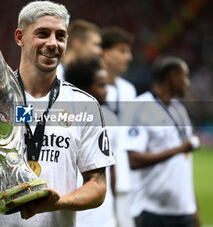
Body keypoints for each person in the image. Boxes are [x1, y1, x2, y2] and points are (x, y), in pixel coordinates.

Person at [0, 0, 115, 227]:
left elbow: (97, 186)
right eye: (43, 34)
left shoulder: (83, 105)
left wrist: (56, 203)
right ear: (20, 37)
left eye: (60, 36)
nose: (52, 43)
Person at [122, 56, 201, 227]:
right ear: (173, 76)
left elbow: (184, 165)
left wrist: (195, 208)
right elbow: (133, 160)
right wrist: (179, 149)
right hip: (152, 211)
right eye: (185, 76)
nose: (188, 82)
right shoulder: (140, 107)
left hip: (184, 211)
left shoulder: (180, 110)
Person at [65, 57, 118, 227]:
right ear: (84, 89)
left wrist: (113, 203)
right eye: (101, 85)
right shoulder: (66, 119)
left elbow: (111, 169)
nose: (107, 90)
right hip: (80, 215)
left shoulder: (111, 119)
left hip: (105, 212)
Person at [101, 26, 136, 227]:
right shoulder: (89, 88)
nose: (129, 57)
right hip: (97, 179)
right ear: (104, 53)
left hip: (124, 179)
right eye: (122, 51)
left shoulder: (129, 90)